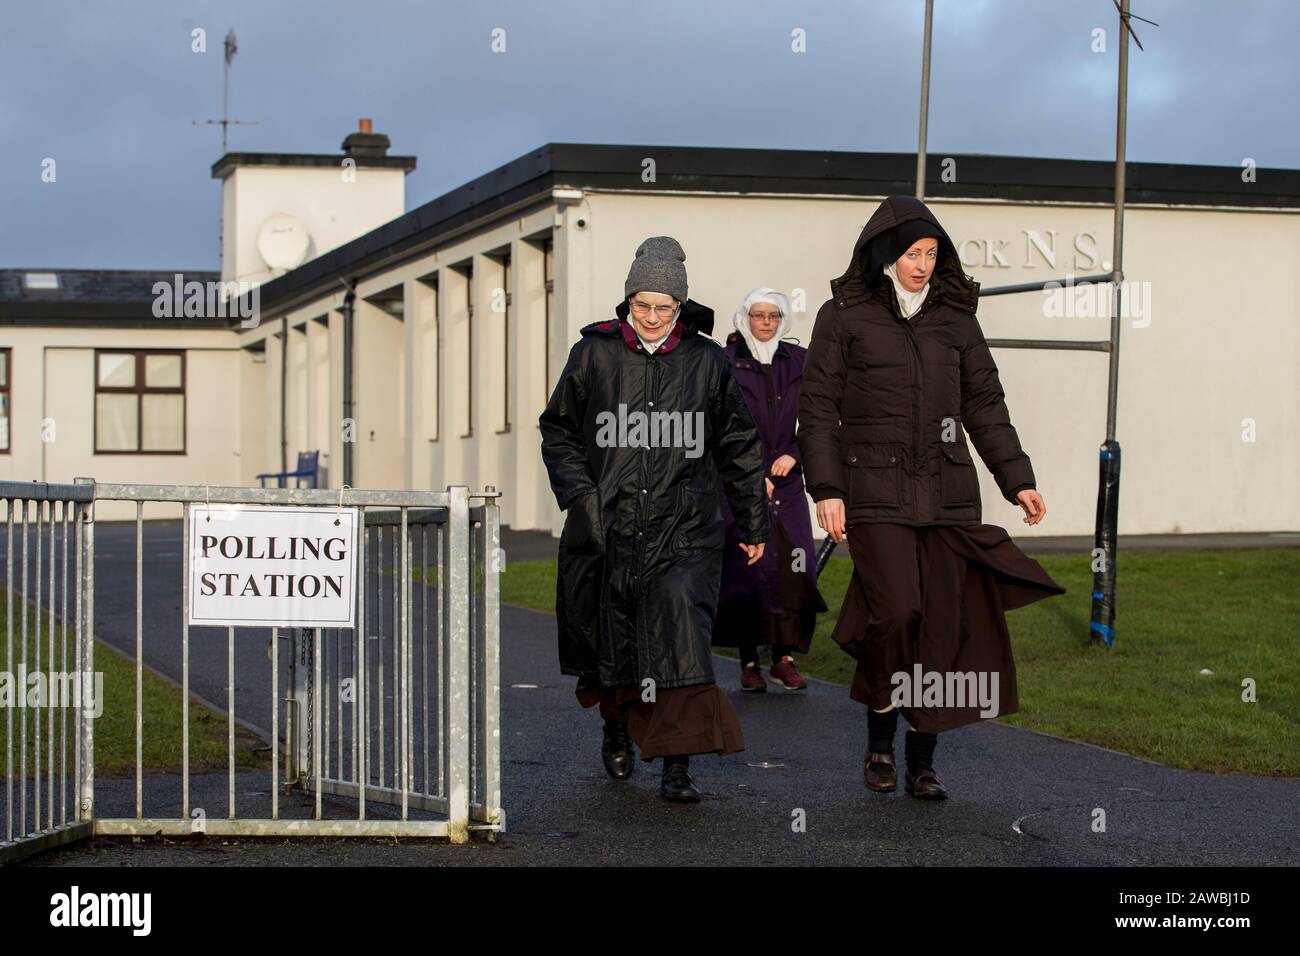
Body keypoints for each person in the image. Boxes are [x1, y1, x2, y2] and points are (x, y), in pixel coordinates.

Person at [797, 196, 1066, 800]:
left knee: (940, 627)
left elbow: (984, 405)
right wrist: (828, 489)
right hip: (872, 493)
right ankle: (877, 739)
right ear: (885, 254)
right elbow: (816, 410)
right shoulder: (843, 316)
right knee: (897, 614)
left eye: (930, 253)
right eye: (912, 253)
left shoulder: (955, 319)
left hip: (947, 493)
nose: (921, 264)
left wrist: (1017, 477)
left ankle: (921, 757)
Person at [539, 236, 770, 803]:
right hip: (608, 526)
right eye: (641, 305)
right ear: (628, 302)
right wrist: (582, 499)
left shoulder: (706, 360)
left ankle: (676, 763)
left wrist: (754, 521)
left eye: (662, 308)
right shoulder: (593, 354)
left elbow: (738, 444)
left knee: (681, 643)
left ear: (679, 308)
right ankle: (617, 728)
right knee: (614, 640)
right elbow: (559, 430)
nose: (650, 318)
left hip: (685, 530)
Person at [715, 287, 828, 692]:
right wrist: (748, 471)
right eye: (759, 315)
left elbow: (821, 417)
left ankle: (784, 656)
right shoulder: (726, 363)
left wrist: (795, 453)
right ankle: (749, 661)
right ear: (745, 318)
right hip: (741, 483)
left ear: (783, 320)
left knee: (795, 566)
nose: (765, 323)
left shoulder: (799, 361)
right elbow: (719, 425)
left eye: (773, 316)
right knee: (747, 567)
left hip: (789, 484)